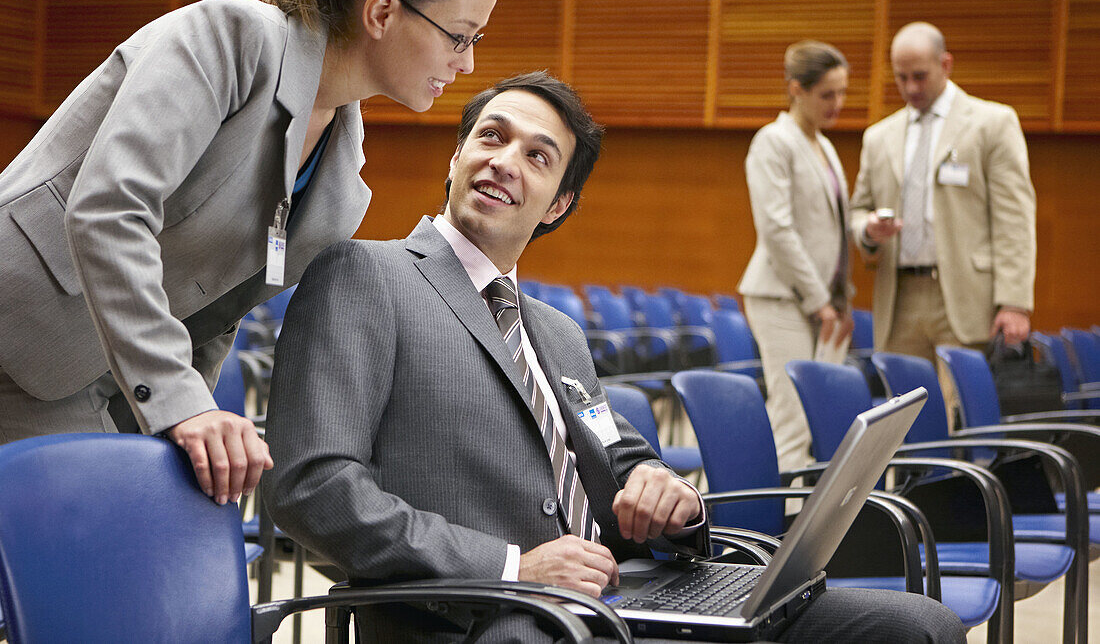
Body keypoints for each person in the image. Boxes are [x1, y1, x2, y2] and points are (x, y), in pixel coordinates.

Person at [263, 71, 965, 643]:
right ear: (456, 157)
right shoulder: (365, 276)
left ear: (558, 202)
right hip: (486, 615)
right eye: (491, 136)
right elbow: (311, 488)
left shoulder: (558, 332)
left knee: (915, 626)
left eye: (537, 156)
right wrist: (515, 565)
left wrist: (668, 490)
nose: (505, 160)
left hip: (626, 599)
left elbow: (619, 456)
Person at [0, 0, 500, 508]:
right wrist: (180, 403)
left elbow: (219, 305)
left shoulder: (342, 185)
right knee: (95, 561)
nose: (467, 62)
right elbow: (109, 211)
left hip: (102, 373)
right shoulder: (229, 36)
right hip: (18, 334)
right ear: (383, 12)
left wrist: (195, 419)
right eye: (458, 35)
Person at [849, 22, 1036, 419]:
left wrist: (1015, 302)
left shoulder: (991, 123)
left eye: (920, 76)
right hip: (899, 297)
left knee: (956, 416)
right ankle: (906, 484)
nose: (911, 87)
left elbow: (1014, 217)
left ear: (946, 64)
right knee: (900, 420)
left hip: (965, 296)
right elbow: (857, 210)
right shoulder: (879, 136)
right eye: (902, 77)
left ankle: (956, 482)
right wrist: (868, 230)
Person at [738, 41, 854, 473]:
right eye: (827, 94)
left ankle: (806, 521)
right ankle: (778, 531)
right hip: (784, 297)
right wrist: (819, 299)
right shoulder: (774, 141)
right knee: (792, 418)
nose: (837, 104)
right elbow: (777, 229)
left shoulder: (824, 146)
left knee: (816, 420)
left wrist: (840, 299)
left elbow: (833, 233)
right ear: (796, 89)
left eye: (843, 93)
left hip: (821, 302)